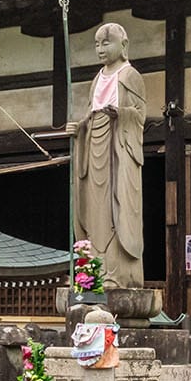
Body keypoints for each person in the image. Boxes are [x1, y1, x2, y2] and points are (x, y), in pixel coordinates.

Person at [65, 22, 146, 288]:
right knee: (94, 209)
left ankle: (117, 273)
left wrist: (121, 114)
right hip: (94, 146)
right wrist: (78, 129)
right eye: (97, 44)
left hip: (118, 148)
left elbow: (140, 116)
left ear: (123, 45)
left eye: (106, 43)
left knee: (117, 206)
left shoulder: (130, 74)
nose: (100, 49)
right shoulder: (96, 79)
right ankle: (92, 272)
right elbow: (90, 114)